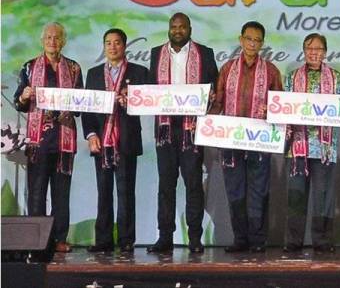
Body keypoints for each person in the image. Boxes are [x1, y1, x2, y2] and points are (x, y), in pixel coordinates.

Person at [146, 13, 218, 254]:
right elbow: (150, 90)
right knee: (165, 185)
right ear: (169, 29)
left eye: (182, 27)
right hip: (165, 129)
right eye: (173, 27)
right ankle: (165, 237)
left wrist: (211, 99)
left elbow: (214, 87)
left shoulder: (205, 53)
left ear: (189, 29)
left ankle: (195, 238)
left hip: (192, 129)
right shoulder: (156, 53)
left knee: (193, 185)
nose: (177, 31)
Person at [210, 21, 282, 253]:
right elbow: (217, 103)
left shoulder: (271, 71)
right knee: (235, 190)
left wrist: (270, 111)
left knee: (258, 191)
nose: (252, 43)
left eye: (257, 40)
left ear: (262, 43)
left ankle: (258, 240)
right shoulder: (227, 68)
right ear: (241, 40)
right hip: (231, 142)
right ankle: (240, 239)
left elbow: (281, 106)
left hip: (259, 141)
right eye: (248, 39)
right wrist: (204, 123)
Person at [14, 22, 83, 253]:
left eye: (57, 38)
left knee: (61, 194)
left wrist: (72, 105)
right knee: (37, 192)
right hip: (38, 142)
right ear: (43, 40)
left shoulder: (74, 68)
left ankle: (59, 239)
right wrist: (24, 95)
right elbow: (18, 103)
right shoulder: (29, 67)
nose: (53, 41)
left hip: (64, 139)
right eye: (49, 38)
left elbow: (80, 106)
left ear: (63, 41)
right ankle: (36, 240)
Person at [83, 29, 148, 253]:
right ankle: (103, 241)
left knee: (126, 192)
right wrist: (91, 135)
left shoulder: (139, 72)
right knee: (103, 192)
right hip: (101, 142)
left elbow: (149, 104)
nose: (112, 47)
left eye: (117, 43)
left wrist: (130, 101)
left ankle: (127, 240)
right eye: (108, 43)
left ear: (124, 46)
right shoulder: (92, 74)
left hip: (127, 140)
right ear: (104, 47)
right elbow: (87, 110)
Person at [283, 33, 340, 253]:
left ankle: (322, 241)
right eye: (309, 48)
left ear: (325, 52)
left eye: (318, 49)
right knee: (296, 196)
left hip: (325, 147)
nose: (313, 53)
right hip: (297, 147)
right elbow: (284, 107)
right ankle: (293, 241)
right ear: (303, 50)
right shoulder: (291, 78)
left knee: (324, 196)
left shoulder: (337, 78)